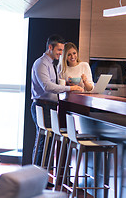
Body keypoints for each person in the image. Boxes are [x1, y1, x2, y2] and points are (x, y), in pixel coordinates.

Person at [31, 35, 83, 167]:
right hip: (42, 106)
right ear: (50, 48)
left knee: (46, 143)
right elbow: (47, 86)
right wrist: (69, 88)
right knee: (44, 142)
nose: (61, 53)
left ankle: (40, 177)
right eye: (59, 50)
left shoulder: (50, 64)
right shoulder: (41, 63)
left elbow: (53, 85)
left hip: (49, 107)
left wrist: (66, 84)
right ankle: (36, 178)